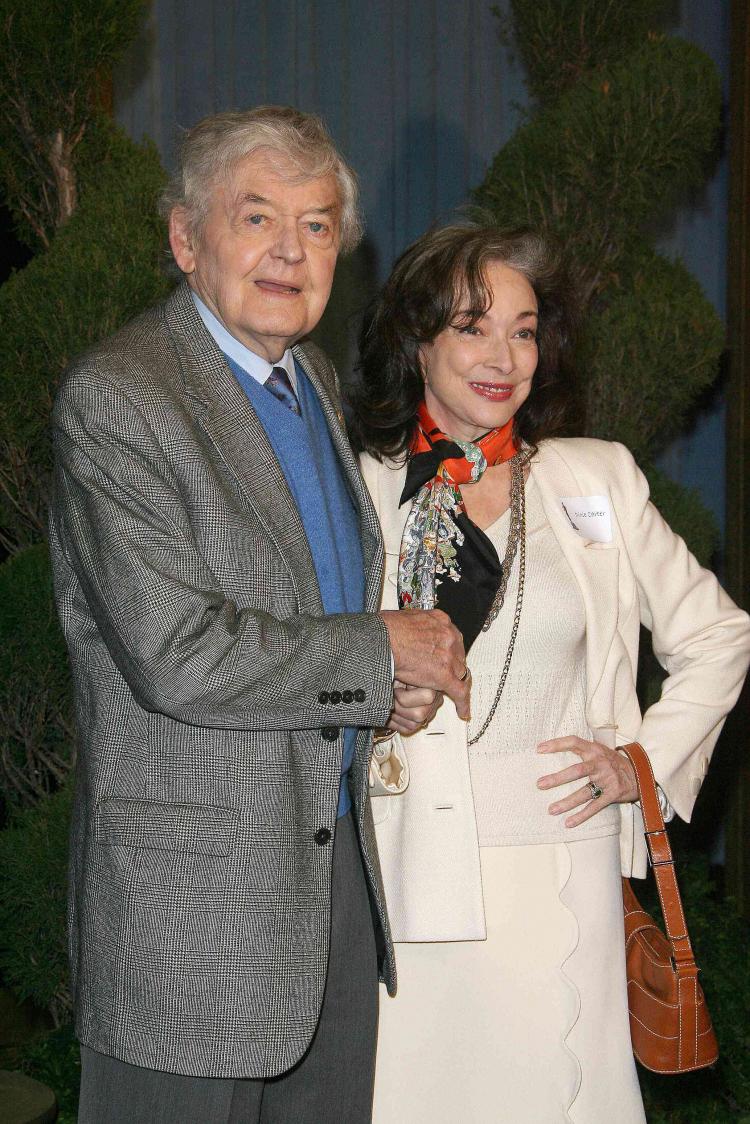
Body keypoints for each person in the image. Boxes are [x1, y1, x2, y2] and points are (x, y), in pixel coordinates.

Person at [49, 106, 468, 1124]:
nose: (292, 249)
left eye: (319, 224)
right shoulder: (120, 398)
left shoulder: (310, 382)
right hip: (188, 929)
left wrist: (383, 693)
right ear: (186, 239)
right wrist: (378, 651)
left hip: (328, 906)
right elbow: (177, 652)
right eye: (257, 217)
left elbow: (303, 620)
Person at [352, 222, 750, 1123]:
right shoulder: (360, 487)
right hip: (409, 872)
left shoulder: (594, 479)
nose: (504, 356)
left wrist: (639, 762)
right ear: (416, 342)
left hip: (563, 873)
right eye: (471, 327)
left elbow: (720, 635)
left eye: (524, 330)